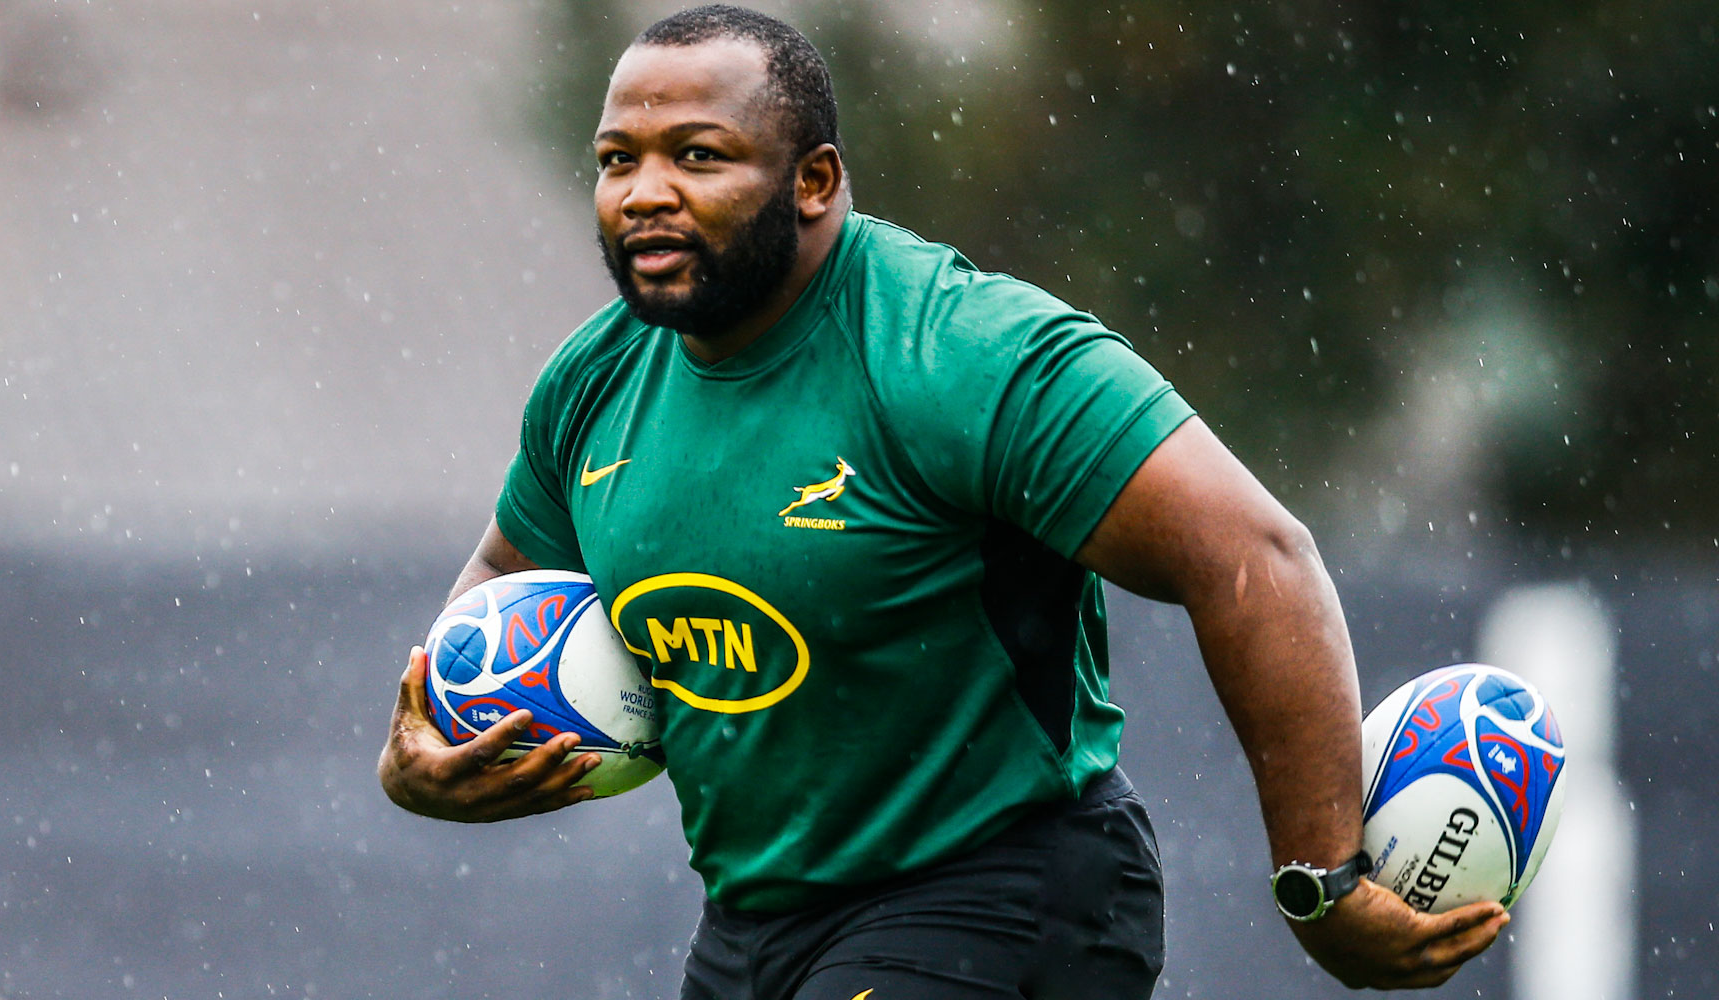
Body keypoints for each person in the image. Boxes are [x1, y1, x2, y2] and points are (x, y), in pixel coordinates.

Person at [379, 6, 1509, 998]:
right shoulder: (595, 381)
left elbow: (1254, 556)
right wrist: (427, 742)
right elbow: (498, 577)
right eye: (616, 159)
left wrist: (1320, 878)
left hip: (1002, 888)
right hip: (753, 925)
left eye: (697, 155)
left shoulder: (956, 352)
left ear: (813, 181)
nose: (645, 194)